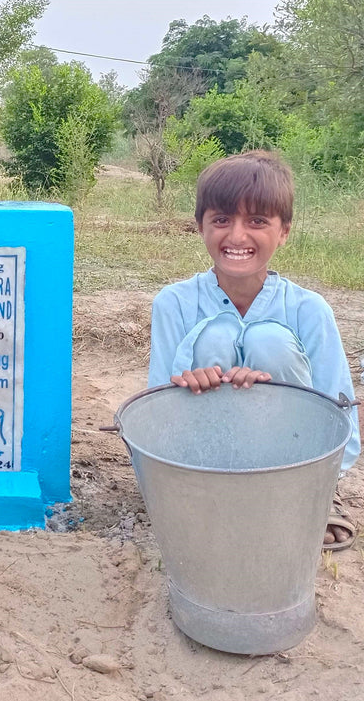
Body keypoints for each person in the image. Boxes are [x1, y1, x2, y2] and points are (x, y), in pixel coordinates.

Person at [148, 150, 360, 549]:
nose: (237, 236)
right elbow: (154, 418)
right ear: (200, 226)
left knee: (269, 340)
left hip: (293, 463)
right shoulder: (173, 303)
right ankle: (209, 494)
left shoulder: (309, 310)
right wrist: (195, 384)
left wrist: (271, 393)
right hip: (203, 461)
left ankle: (309, 498)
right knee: (213, 337)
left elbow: (340, 421)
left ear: (284, 231)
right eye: (222, 220)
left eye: (257, 221)